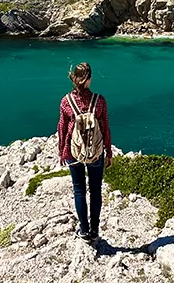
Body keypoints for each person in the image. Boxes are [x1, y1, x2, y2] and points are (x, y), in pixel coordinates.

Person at [58, 61, 112, 243]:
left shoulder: (66, 101)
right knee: (96, 191)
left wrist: (61, 152)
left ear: (75, 78)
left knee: (79, 190)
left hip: (74, 152)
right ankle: (95, 230)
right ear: (88, 79)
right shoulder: (100, 101)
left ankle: (84, 230)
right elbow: (105, 128)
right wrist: (109, 152)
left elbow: (62, 128)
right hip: (96, 152)